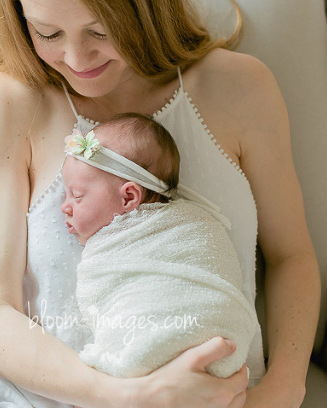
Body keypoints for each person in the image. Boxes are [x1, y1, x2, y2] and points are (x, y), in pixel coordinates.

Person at [0, 0, 321, 406]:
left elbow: (292, 257)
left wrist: (282, 388)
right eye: (48, 32)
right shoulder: (2, 106)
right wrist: (125, 396)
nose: (77, 58)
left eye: (101, 29)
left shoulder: (241, 90)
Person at [61, 114, 257, 380]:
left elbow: (211, 264)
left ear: (129, 197)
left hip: (205, 324)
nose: (65, 206)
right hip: (220, 354)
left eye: (77, 195)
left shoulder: (189, 226)